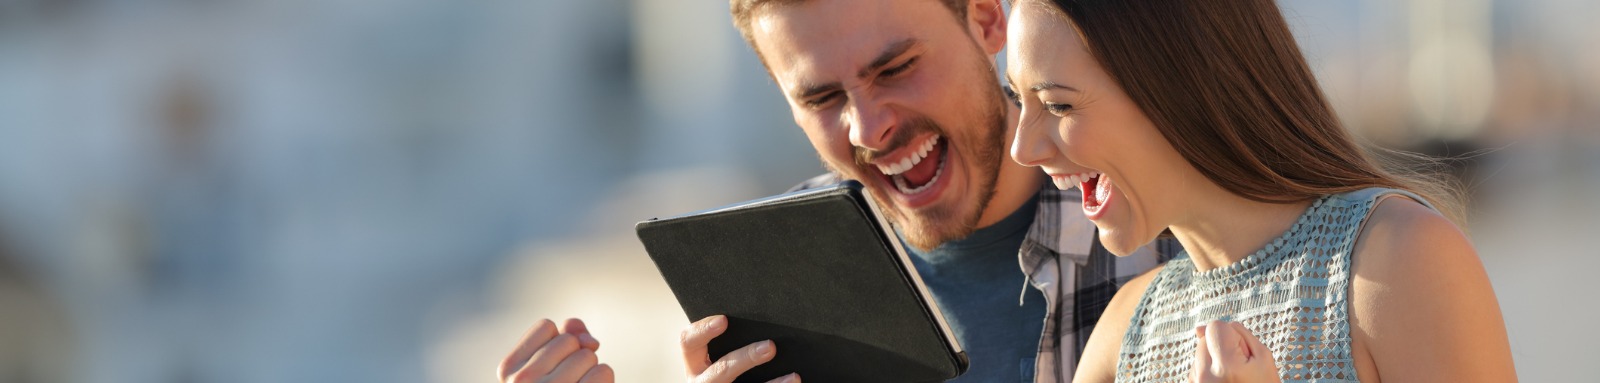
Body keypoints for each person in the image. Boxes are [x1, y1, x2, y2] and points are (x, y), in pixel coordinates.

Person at [496, 0, 1179, 382]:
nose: (869, 126)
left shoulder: (1162, 219)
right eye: (822, 97)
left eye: (897, 67)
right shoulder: (765, 282)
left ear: (986, 19)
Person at [1000, 0, 1517, 382]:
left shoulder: (1399, 262)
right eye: (1018, 100)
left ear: (1178, 84)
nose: (1023, 148)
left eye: (1059, 105)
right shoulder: (1121, 338)